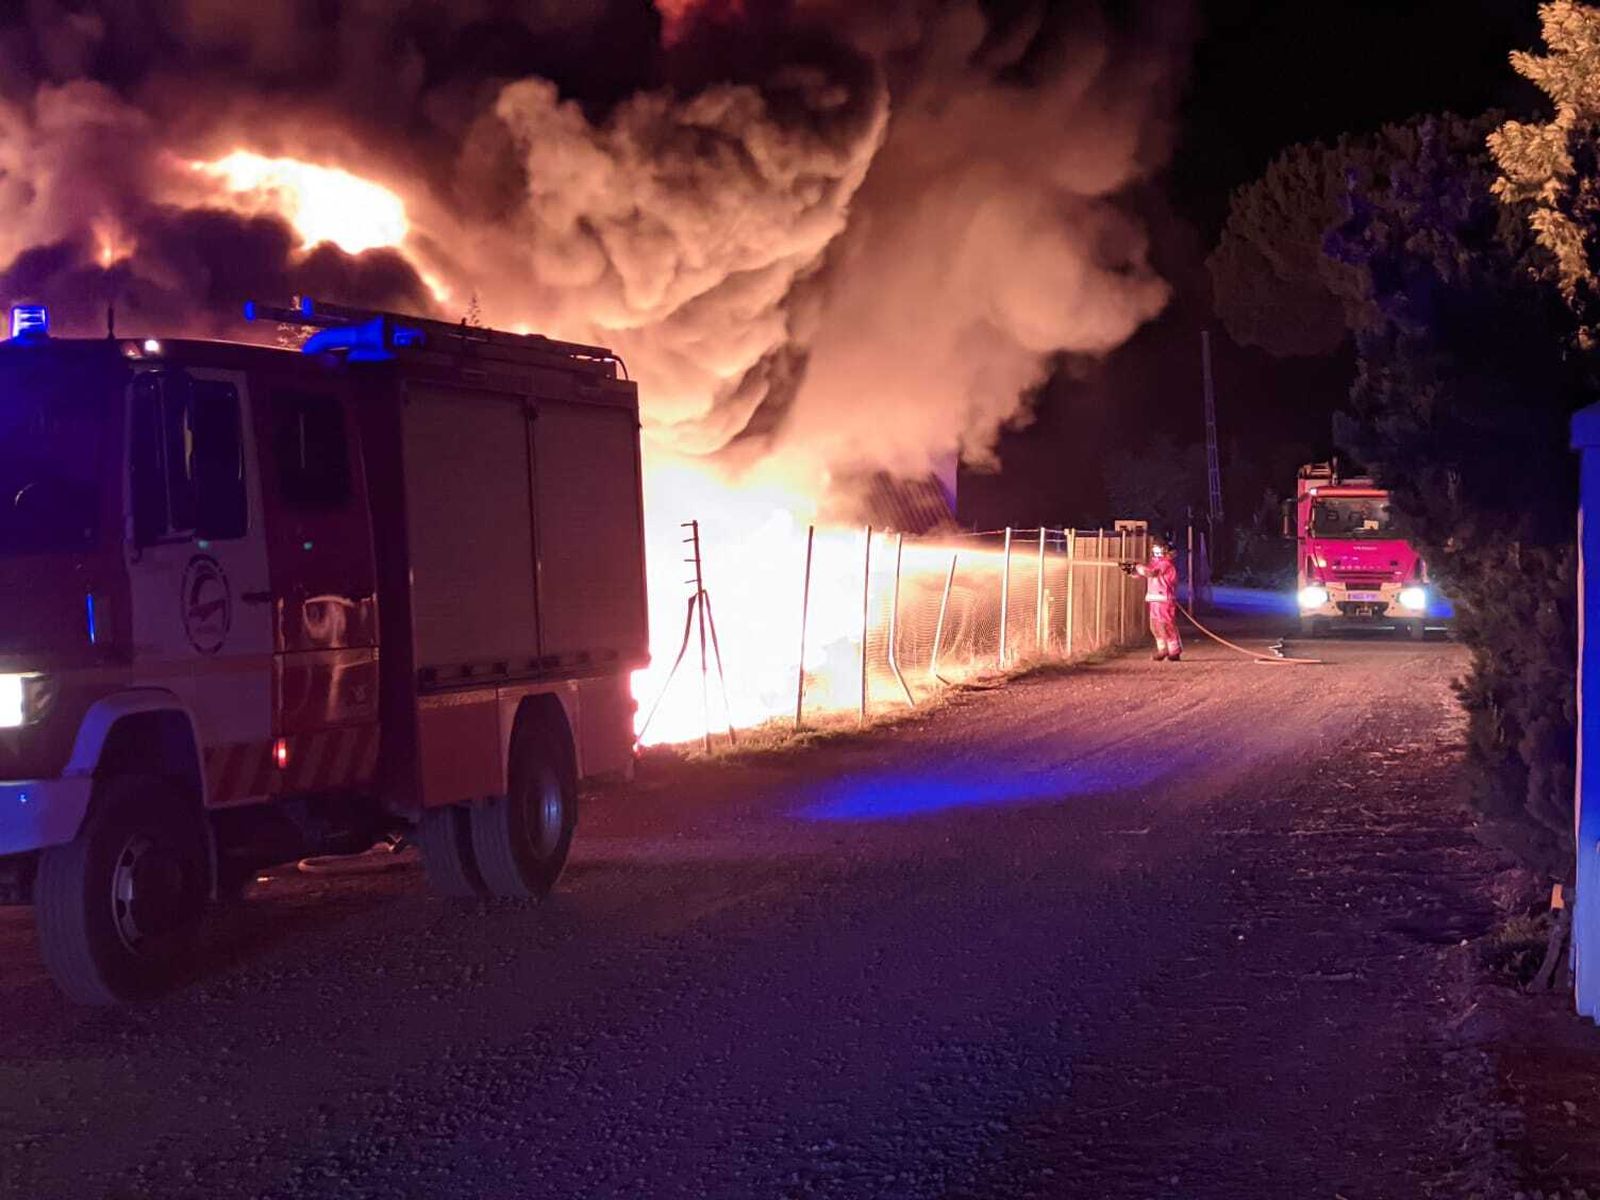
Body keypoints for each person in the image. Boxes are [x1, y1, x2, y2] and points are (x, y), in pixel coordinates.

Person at [1126, 536, 1182, 661]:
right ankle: (1162, 649)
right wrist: (1129, 570)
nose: (1156, 550)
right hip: (1154, 599)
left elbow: (1150, 573)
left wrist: (1137, 566)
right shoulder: (1154, 563)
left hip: (1165, 599)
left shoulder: (1165, 564)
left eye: (1159, 547)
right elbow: (1143, 573)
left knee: (1166, 625)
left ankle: (1174, 650)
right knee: (1155, 626)